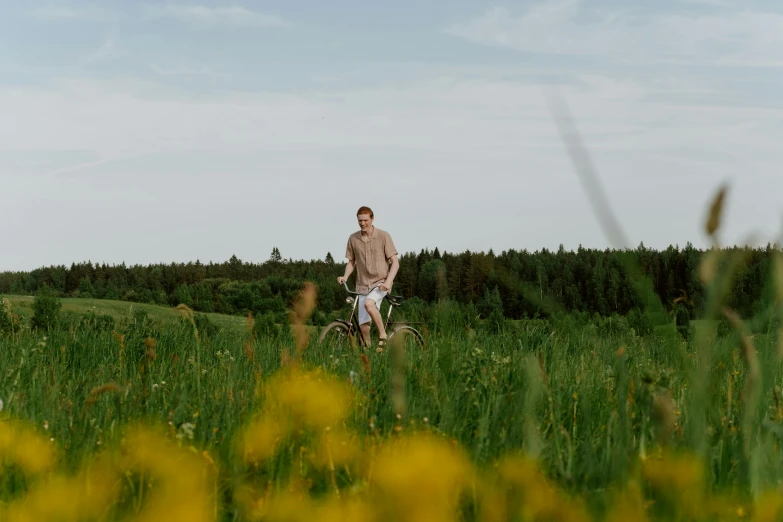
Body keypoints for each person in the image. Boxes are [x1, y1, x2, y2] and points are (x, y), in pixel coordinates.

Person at [337, 206, 399, 352]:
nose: (363, 223)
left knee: (369, 305)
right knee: (364, 327)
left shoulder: (383, 236)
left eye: (365, 220)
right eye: (360, 220)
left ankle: (383, 335)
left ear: (372, 219)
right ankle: (369, 356)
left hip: (380, 283)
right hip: (362, 285)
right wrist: (345, 276)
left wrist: (388, 282)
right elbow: (351, 262)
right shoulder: (353, 238)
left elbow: (395, 262)